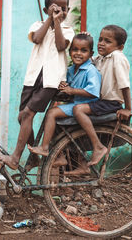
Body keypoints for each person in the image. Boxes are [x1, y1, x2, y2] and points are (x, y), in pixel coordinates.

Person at [0, 0, 75, 170]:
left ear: (68, 10)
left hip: (51, 81)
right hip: (32, 78)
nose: (59, 12)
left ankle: (15, 158)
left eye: (63, 9)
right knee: (21, 116)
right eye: (55, 8)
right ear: (45, 9)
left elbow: (61, 45)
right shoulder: (37, 25)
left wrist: (57, 22)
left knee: (28, 114)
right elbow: (37, 39)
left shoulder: (67, 30)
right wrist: (49, 20)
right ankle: (33, 158)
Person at [28, 33, 101, 167]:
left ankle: (44, 147)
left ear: (91, 53)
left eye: (83, 50)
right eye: (75, 50)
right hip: (75, 104)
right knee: (57, 123)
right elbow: (64, 82)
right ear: (70, 51)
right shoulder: (71, 69)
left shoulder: (91, 70)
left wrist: (71, 90)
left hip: (86, 106)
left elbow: (93, 92)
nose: (78, 53)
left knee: (52, 113)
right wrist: (63, 85)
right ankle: (60, 155)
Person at [70, 25, 131, 173]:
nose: (101, 43)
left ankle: (98, 146)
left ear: (120, 47)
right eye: (100, 39)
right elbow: (87, 59)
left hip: (111, 103)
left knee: (78, 110)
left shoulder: (117, 57)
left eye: (107, 41)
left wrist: (128, 108)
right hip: (100, 102)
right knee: (73, 124)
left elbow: (124, 85)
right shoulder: (101, 58)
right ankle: (83, 164)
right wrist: (85, 40)